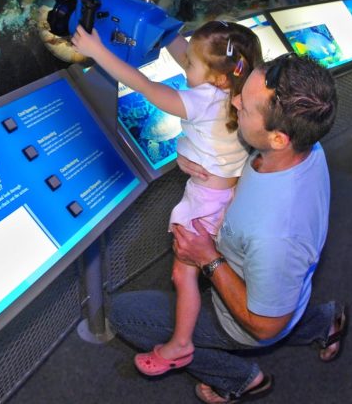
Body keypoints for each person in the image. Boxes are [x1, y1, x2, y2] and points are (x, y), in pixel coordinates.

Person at [106, 53, 344, 404]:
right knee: (279, 295)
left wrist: (208, 259)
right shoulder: (303, 140)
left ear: (278, 138)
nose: (233, 102)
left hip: (249, 321)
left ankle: (240, 378)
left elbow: (264, 325)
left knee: (125, 315)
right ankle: (322, 321)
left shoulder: (277, 233)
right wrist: (193, 157)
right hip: (285, 287)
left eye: (244, 107)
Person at [72, 20, 262, 376]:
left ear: (216, 76)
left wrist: (97, 51)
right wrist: (164, 28)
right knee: (203, 266)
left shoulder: (203, 99)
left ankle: (181, 344)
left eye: (190, 64)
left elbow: (144, 85)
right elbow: (190, 56)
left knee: (182, 274)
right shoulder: (237, 89)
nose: (184, 65)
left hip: (203, 205)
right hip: (228, 195)